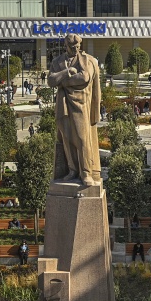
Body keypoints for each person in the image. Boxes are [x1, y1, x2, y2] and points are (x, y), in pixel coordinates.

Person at [48, 34, 101, 187]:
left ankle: (86, 172)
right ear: (66, 46)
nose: (76, 49)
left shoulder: (88, 60)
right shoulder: (57, 62)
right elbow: (51, 81)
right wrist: (66, 72)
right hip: (63, 105)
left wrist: (63, 82)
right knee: (67, 137)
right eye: (73, 47)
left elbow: (84, 78)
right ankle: (73, 170)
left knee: (82, 138)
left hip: (81, 105)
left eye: (78, 46)